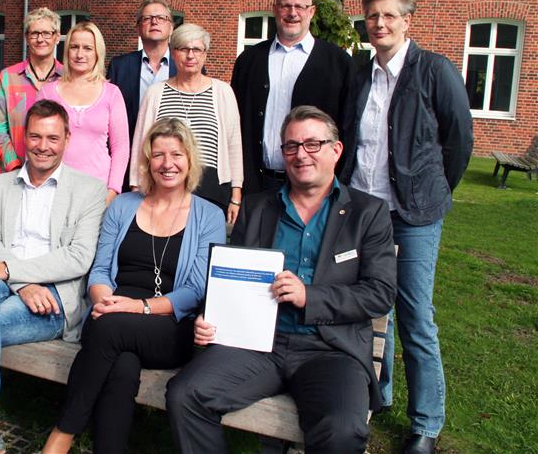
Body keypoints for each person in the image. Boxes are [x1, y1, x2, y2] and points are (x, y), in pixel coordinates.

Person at [166, 106, 397, 454]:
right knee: (186, 395)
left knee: (342, 430)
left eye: (312, 144)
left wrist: (310, 297)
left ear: (336, 150)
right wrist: (210, 315)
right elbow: (232, 277)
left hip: (329, 350)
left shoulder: (368, 213)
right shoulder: (258, 208)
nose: (301, 154)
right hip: (258, 345)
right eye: (291, 146)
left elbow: (380, 294)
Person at [340, 0, 473, 454]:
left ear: (407, 21)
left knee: (416, 315)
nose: (380, 24)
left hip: (414, 214)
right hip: (364, 209)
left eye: (389, 16)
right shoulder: (361, 73)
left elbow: (459, 142)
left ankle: (427, 423)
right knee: (376, 308)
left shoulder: (433, 70)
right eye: (372, 17)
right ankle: (384, 392)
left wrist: (430, 190)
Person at [42, 118, 226, 454]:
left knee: (108, 330)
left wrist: (136, 307)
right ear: (146, 161)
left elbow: (196, 290)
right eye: (158, 155)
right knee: (122, 366)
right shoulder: (124, 206)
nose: (167, 164)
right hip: (112, 312)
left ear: (190, 160)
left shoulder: (209, 216)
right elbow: (99, 270)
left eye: (176, 154)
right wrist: (103, 299)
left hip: (169, 326)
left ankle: (61, 436)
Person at [0, 100, 107, 454]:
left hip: (52, 298)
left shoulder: (89, 190)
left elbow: (78, 258)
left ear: (67, 138)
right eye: (35, 136)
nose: (43, 146)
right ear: (24, 138)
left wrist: (13, 273)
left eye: (52, 137)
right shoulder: (0, 184)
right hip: (9, 283)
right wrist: (22, 283)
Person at [231, 0, 355, 195]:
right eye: (285, 6)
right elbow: (234, 124)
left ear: (312, 11)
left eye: (300, 7)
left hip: (315, 188)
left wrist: (337, 184)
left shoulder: (339, 63)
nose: (292, 13)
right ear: (275, 9)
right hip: (257, 185)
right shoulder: (249, 61)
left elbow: (349, 129)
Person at [130, 23, 243, 224]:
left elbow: (234, 145)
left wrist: (235, 196)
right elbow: (141, 143)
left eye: (197, 49)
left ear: (205, 54)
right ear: (173, 53)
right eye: (183, 49)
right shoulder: (156, 92)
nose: (190, 56)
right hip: (163, 187)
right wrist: (137, 187)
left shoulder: (223, 91)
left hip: (211, 189)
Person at [37, 21, 129, 205]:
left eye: (87, 48)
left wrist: (112, 191)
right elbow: (35, 142)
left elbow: (121, 148)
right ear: (66, 51)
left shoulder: (111, 93)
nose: (80, 54)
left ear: (97, 53)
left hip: (97, 192)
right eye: (74, 47)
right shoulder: (47, 92)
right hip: (53, 189)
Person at [107, 0, 177, 191]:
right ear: (138, 28)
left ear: (171, 27)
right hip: (132, 162)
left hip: (173, 165)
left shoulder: (185, 67)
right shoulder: (119, 67)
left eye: (161, 18)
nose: (154, 21)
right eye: (147, 18)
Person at [0, 7, 63, 172]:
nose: (40, 39)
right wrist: (14, 167)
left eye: (46, 33)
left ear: (57, 37)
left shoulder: (68, 79)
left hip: (58, 176)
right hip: (15, 172)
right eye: (34, 33)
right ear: (26, 38)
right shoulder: (8, 78)